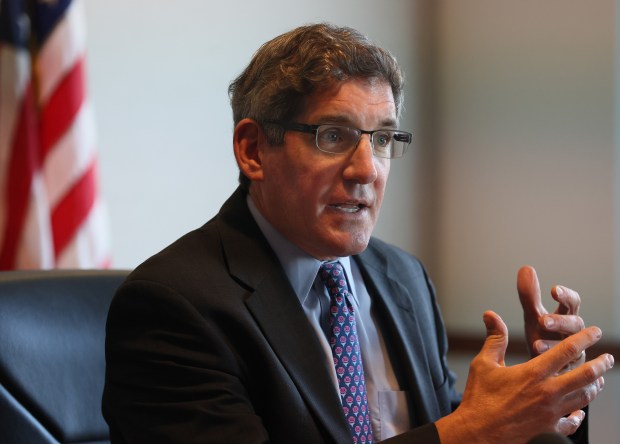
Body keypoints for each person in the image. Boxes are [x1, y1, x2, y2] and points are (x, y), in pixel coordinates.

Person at [102, 23, 614, 443]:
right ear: (254, 150)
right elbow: (457, 434)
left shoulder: (402, 277)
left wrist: (542, 405)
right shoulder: (173, 305)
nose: (368, 169)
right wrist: (470, 431)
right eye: (334, 136)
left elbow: (452, 425)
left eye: (384, 138)